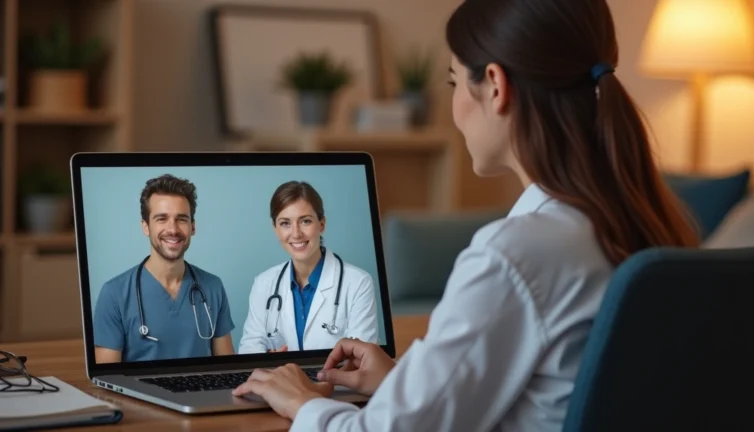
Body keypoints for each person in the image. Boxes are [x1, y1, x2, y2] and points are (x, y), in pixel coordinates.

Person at [230, 0, 702, 430]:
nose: (455, 106)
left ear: (495, 86)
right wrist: (403, 382)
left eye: (456, 82)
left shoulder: (515, 255)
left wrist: (302, 403)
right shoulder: (652, 227)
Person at [93, 174, 236, 363]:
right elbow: (108, 378)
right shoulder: (114, 293)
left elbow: (227, 367)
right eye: (161, 218)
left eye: (182, 219)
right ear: (146, 227)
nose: (173, 229)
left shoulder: (212, 286)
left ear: (193, 227)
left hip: (200, 390)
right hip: (139, 392)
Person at [238, 181, 379, 354]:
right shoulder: (263, 283)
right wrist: (266, 361)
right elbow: (249, 348)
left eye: (305, 221)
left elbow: (362, 359)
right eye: (285, 223)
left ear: (322, 224)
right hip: (279, 380)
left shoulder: (358, 283)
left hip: (334, 381)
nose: (296, 233)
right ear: (275, 228)